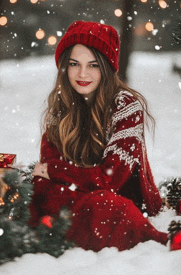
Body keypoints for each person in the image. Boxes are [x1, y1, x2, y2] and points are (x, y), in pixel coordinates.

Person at [29, 20, 168, 251]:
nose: (82, 74)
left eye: (93, 65)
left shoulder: (126, 106)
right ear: (65, 66)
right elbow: (47, 180)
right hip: (76, 198)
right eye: (74, 64)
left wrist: (56, 171)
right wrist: (54, 175)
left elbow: (110, 180)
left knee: (103, 202)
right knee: (37, 194)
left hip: (120, 203)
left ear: (106, 67)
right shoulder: (61, 106)